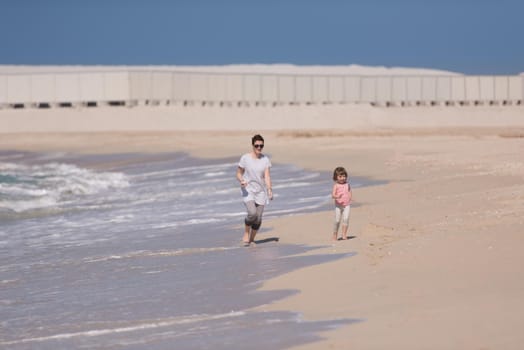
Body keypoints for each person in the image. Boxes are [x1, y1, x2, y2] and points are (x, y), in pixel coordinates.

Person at [236, 134, 273, 246]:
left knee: (258, 218)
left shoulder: (265, 159)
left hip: (261, 191)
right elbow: (238, 173)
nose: (259, 148)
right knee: (252, 213)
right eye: (257, 145)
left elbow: (267, 176)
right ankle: (246, 233)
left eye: (261, 146)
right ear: (252, 145)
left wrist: (269, 189)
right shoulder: (245, 158)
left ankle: (252, 240)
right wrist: (241, 180)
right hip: (248, 189)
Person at [332, 166, 352, 241]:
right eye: (340, 176)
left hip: (347, 204)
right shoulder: (336, 186)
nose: (343, 178)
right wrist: (337, 196)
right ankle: (335, 234)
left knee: (346, 219)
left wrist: (350, 197)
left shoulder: (347, 184)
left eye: (344, 176)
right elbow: (333, 195)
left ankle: (344, 234)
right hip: (338, 205)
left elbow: (349, 190)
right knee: (337, 220)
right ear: (336, 177)